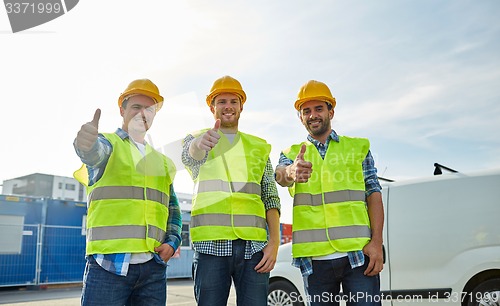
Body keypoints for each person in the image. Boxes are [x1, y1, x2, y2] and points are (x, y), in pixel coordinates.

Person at [275, 80, 384, 306]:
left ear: (331, 111)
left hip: (358, 255)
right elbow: (280, 176)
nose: (313, 115)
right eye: (306, 111)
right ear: (300, 117)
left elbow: (373, 193)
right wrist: (291, 171)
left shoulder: (358, 148)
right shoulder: (292, 153)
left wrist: (376, 242)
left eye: (318, 109)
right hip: (315, 262)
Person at [73, 79, 182, 306]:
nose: (143, 113)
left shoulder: (161, 162)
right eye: (136, 106)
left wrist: (172, 242)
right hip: (108, 266)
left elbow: (172, 208)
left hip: (152, 269)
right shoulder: (108, 144)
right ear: (122, 110)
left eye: (149, 109)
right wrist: (86, 144)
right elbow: (94, 152)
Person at [181, 75, 281, 306]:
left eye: (233, 101)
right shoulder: (197, 139)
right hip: (210, 248)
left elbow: (270, 196)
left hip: (254, 249)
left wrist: (274, 244)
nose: (228, 106)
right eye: (222, 101)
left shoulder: (258, 147)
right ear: (211, 106)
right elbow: (190, 156)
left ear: (241, 106)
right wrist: (198, 146)